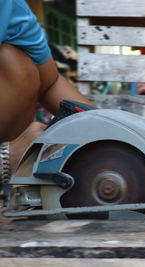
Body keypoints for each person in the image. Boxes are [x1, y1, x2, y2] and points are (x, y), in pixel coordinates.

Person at [0, 0, 94, 182]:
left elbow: (50, 83)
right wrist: (6, 159)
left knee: (16, 65)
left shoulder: (9, 5)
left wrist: (112, 136)